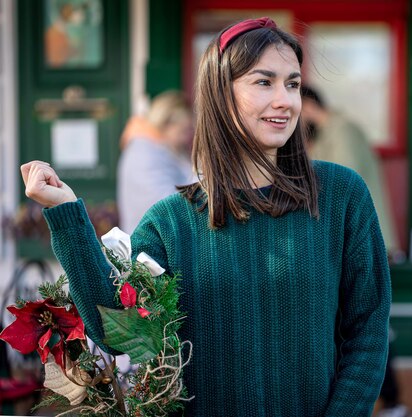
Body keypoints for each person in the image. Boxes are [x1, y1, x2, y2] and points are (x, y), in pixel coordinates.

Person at [20, 17, 391, 417]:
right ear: (221, 95)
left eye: (293, 83)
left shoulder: (341, 196)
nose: (286, 99)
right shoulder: (171, 223)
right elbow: (124, 337)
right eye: (264, 82)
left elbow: (368, 331)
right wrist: (66, 213)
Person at [301, 86, 408, 417]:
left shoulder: (342, 130)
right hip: (350, 239)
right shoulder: (332, 131)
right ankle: (390, 400)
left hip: (358, 239)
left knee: (365, 321)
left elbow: (339, 188)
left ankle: (391, 400)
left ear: (307, 103)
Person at [300, 85, 401, 259]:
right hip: (352, 236)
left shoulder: (343, 130)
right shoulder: (324, 135)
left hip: (363, 237)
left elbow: (340, 181)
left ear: (308, 106)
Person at [117, 90, 196, 232]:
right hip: (148, 246)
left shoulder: (165, 149)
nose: (187, 137)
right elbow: (165, 205)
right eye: (183, 131)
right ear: (165, 123)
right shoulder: (143, 153)